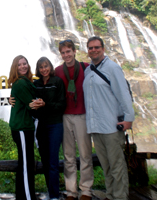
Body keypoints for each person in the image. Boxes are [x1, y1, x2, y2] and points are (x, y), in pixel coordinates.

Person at [83, 36, 135, 200]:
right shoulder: (88, 70)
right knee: (106, 165)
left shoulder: (113, 68)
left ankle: (120, 196)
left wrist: (128, 119)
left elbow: (123, 95)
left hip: (112, 125)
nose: (94, 50)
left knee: (117, 165)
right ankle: (111, 194)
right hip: (95, 126)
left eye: (96, 47)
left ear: (103, 48)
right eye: (90, 48)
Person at [55, 40, 94, 200]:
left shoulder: (86, 67)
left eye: (68, 51)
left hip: (82, 115)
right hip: (65, 116)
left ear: (74, 51)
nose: (66, 55)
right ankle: (71, 191)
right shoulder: (57, 71)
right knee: (68, 155)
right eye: (63, 53)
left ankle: (86, 190)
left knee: (85, 154)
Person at [8, 55, 44, 200]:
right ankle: (27, 197)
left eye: (25, 64)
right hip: (22, 129)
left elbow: (30, 101)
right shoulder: (21, 84)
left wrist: (38, 102)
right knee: (26, 165)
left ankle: (23, 196)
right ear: (15, 68)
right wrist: (40, 103)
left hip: (25, 128)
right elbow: (32, 106)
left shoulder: (26, 82)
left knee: (26, 163)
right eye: (19, 64)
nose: (23, 66)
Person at [30, 57, 66, 200]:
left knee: (52, 161)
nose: (44, 69)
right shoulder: (36, 84)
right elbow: (30, 103)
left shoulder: (57, 82)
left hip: (55, 125)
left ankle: (54, 196)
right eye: (41, 67)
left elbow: (61, 105)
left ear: (50, 67)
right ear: (38, 69)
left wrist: (46, 105)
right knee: (45, 161)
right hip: (41, 126)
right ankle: (51, 192)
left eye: (46, 66)